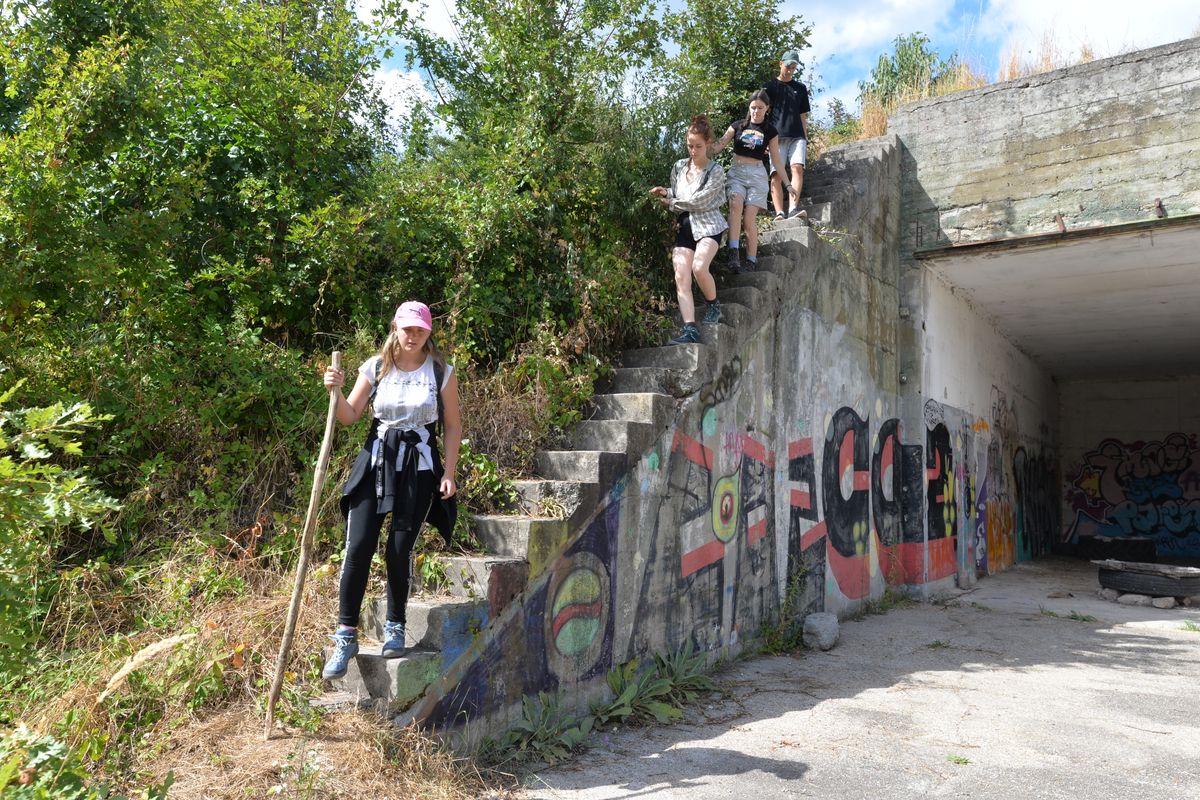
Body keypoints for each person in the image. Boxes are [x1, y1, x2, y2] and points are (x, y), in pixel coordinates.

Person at [319, 301, 461, 679]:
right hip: (377, 461)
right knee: (359, 543)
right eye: (407, 329)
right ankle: (346, 635)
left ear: (428, 332)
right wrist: (334, 393)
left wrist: (449, 472)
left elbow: (453, 426)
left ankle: (395, 626)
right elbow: (349, 416)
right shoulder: (376, 367)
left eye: (420, 330)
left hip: (418, 466)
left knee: (399, 548)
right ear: (395, 329)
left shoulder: (440, 372)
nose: (413, 336)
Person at [649, 114, 728, 345]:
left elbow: (699, 202)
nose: (693, 151)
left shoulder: (716, 171)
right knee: (681, 275)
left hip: (709, 225)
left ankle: (714, 305)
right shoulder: (678, 167)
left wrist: (672, 203)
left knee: (699, 266)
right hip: (685, 226)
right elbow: (677, 195)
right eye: (689, 146)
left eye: (698, 146)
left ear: (708, 144)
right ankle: (690, 328)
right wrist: (665, 193)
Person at [711, 89, 799, 273]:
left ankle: (751, 259)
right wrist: (699, 148)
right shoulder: (737, 126)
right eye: (753, 107)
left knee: (749, 220)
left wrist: (788, 184)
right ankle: (733, 253)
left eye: (760, 108)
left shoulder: (770, 131)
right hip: (737, 173)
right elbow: (718, 146)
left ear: (767, 108)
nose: (755, 111)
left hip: (758, 175)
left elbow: (776, 160)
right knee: (735, 204)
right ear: (749, 107)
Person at [765, 49, 811, 220]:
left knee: (797, 168)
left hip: (797, 136)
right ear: (780, 63)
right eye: (788, 66)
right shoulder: (770, 87)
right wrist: (764, 140)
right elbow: (763, 114)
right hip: (776, 137)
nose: (790, 70)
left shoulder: (800, 88)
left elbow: (803, 116)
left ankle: (793, 208)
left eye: (794, 67)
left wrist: (805, 138)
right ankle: (779, 212)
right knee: (776, 173)